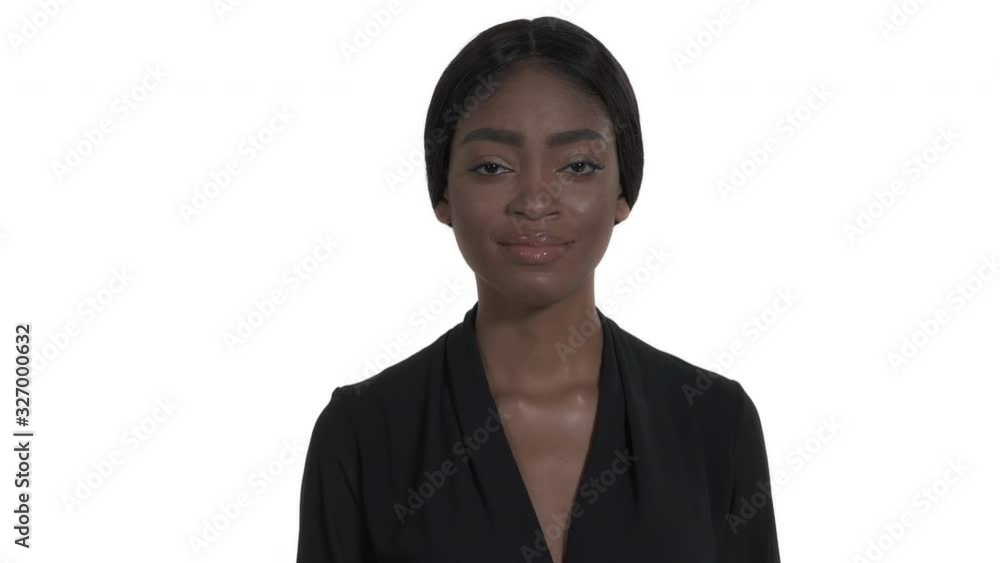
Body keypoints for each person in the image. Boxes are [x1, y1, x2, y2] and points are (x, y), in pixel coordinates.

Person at [296, 16, 780, 563]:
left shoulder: (714, 422)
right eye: (493, 166)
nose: (534, 200)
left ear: (623, 191)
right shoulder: (364, 434)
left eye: (577, 165)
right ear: (443, 195)